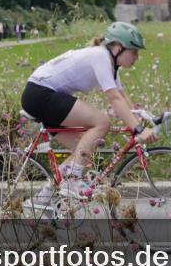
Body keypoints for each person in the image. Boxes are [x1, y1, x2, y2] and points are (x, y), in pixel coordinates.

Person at [21, 22, 157, 203]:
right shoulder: (100, 56)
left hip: (43, 96)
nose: (137, 57)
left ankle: (41, 200)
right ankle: (72, 182)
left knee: (84, 152)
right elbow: (114, 98)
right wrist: (138, 129)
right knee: (102, 122)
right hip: (40, 93)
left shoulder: (111, 65)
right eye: (134, 51)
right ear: (117, 47)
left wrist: (139, 117)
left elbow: (122, 97)